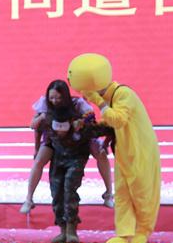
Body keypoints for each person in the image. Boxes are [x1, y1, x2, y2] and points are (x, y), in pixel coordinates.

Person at [68, 53, 161, 243]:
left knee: (141, 191)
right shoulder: (111, 98)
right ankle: (125, 233)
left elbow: (118, 120)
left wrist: (99, 103)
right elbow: (110, 124)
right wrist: (88, 127)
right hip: (123, 151)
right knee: (122, 193)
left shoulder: (123, 94)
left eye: (85, 92)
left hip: (140, 151)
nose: (84, 96)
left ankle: (142, 231)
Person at [20, 80, 114, 214]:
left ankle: (108, 194)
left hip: (78, 139)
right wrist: (41, 120)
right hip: (54, 139)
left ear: (65, 96)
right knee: (39, 160)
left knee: (101, 153)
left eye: (58, 98)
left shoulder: (77, 104)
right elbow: (34, 126)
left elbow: (92, 120)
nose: (54, 101)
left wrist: (82, 122)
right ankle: (29, 199)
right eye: (52, 98)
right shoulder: (45, 105)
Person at [42, 102, 111, 243]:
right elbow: (36, 129)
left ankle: (71, 229)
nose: (60, 132)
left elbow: (109, 128)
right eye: (57, 129)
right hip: (58, 161)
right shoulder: (49, 126)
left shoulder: (83, 129)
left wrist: (106, 143)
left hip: (76, 160)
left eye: (63, 129)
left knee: (70, 190)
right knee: (56, 193)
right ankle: (62, 229)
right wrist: (37, 148)